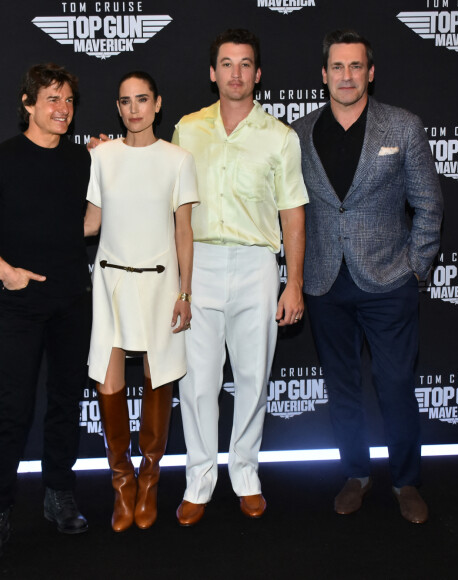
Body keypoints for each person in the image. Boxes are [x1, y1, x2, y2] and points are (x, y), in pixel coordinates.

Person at [292, 30, 443, 524]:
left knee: (397, 384)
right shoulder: (299, 133)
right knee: (342, 386)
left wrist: (414, 268)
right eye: (337, 67)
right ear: (323, 74)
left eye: (356, 66)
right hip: (323, 283)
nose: (347, 76)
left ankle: (406, 481)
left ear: (370, 73)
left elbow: (428, 204)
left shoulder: (402, 126)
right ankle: (355, 475)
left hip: (387, 280)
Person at [0, 63, 92, 562]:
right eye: (52, 99)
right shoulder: (0, 161)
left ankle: (58, 496)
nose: (62, 109)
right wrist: (2, 269)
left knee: (64, 404)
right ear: (28, 105)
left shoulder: (83, 161)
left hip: (74, 301)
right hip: (19, 306)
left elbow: (87, 221)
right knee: (12, 410)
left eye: (69, 100)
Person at [172, 29, 309, 526]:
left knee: (253, 379)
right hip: (200, 263)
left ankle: (246, 476)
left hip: (256, 266)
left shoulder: (280, 137)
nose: (235, 73)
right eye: (226, 64)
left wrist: (292, 282)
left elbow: (293, 214)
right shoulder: (187, 130)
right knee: (198, 384)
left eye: (244, 64)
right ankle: (199, 481)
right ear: (213, 73)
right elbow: (172, 204)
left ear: (257, 73)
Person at [84, 71, 198, 532]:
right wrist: (32, 236)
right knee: (107, 381)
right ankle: (121, 480)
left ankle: (150, 479)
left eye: (142, 99)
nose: (134, 109)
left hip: (159, 283)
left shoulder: (178, 159)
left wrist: (185, 292)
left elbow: (184, 232)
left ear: (158, 104)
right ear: (118, 107)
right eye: (126, 101)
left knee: (157, 379)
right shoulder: (102, 157)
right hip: (109, 282)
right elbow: (90, 224)